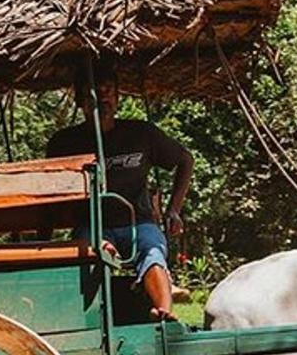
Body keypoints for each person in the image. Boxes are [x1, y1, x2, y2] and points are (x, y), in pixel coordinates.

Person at [46, 68, 194, 321]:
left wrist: (173, 210)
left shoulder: (141, 133)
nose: (102, 100)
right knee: (89, 255)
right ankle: (87, 322)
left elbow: (185, 160)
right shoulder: (64, 142)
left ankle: (164, 313)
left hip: (138, 222)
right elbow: (48, 192)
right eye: (93, 95)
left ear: (117, 98)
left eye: (108, 93)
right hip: (92, 226)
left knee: (152, 249)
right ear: (80, 101)